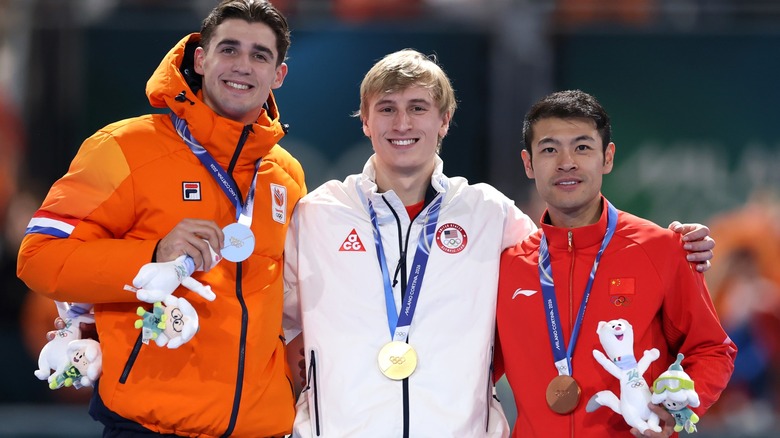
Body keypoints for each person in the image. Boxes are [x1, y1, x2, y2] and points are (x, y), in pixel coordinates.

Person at [282, 50, 715, 437]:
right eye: (387, 109)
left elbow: (570, 257)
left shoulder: (490, 213)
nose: (402, 124)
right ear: (364, 118)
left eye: (418, 108)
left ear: (445, 120)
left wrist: (671, 244)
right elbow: (276, 327)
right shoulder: (317, 214)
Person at [17, 0, 306, 436]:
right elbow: (38, 258)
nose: (242, 65)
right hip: (150, 424)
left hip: (260, 427)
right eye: (228, 49)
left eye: (259, 54)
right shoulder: (124, 147)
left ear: (278, 75)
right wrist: (150, 255)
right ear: (201, 58)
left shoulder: (286, 174)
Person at [495, 89, 737, 437]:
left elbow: (712, 348)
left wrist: (678, 408)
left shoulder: (661, 249)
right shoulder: (508, 266)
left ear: (607, 157)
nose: (567, 162)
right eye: (549, 149)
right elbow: (475, 368)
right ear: (529, 163)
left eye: (582, 147)